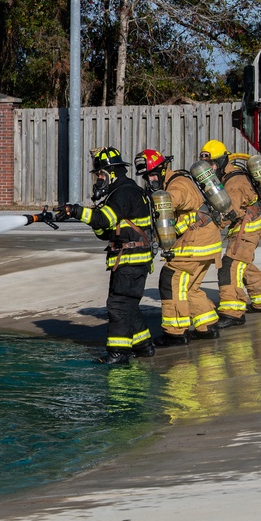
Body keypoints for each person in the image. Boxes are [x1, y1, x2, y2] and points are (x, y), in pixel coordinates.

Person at [54, 147, 155, 364]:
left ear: (111, 172)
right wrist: (87, 216)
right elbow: (105, 231)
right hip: (128, 260)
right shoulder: (120, 192)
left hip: (131, 260)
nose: (99, 178)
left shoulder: (123, 193)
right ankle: (144, 346)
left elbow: (104, 220)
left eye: (101, 174)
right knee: (128, 305)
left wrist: (78, 211)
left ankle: (118, 353)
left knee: (118, 305)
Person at [135, 149, 223, 345]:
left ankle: (175, 332)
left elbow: (172, 200)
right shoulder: (175, 181)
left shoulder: (178, 185)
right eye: (146, 177)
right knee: (190, 287)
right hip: (207, 241)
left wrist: (152, 201)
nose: (150, 180)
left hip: (195, 244)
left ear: (163, 168)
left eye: (152, 174)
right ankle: (207, 326)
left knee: (171, 281)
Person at [199, 140, 261, 325]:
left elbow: (228, 212)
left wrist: (209, 228)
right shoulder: (227, 176)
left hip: (247, 228)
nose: (210, 169)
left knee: (230, 265)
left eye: (212, 164)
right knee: (243, 264)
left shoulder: (234, 183)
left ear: (222, 161)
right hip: (249, 224)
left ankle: (232, 313)